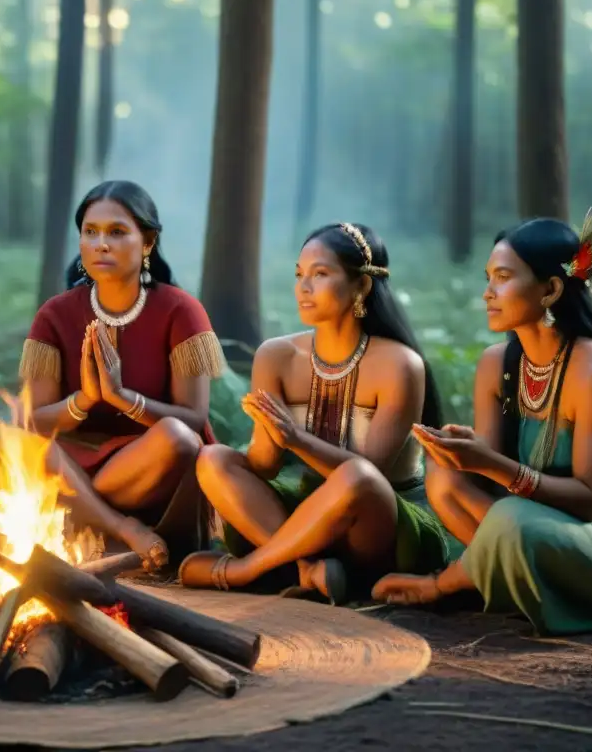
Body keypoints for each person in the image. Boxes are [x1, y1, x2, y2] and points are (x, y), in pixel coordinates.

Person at [178, 223, 449, 601]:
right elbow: (267, 466)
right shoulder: (276, 356)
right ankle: (307, 570)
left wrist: (296, 438)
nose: (303, 287)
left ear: (362, 286)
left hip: (381, 522)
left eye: (319, 274)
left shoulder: (400, 364)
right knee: (213, 459)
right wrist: (267, 437)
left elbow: (372, 475)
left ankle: (251, 569)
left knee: (357, 477)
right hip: (300, 512)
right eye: (299, 274)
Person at [373, 212, 592, 635]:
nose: (487, 293)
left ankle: (448, 584)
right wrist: (468, 454)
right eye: (488, 278)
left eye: (502, 278)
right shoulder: (497, 364)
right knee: (443, 476)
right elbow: (494, 476)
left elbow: (590, 501)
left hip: (591, 532)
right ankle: (501, 573)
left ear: (551, 289)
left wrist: (492, 465)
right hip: (522, 518)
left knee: (510, 519)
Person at [19, 180, 225, 571]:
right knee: (24, 443)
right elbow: (36, 419)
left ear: (147, 242)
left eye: (117, 232)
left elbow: (194, 419)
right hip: (73, 459)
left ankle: (87, 510)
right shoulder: (54, 314)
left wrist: (121, 397)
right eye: (90, 232)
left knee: (179, 437)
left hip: (145, 466)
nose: (101, 244)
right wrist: (85, 400)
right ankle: (120, 527)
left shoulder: (181, 310)